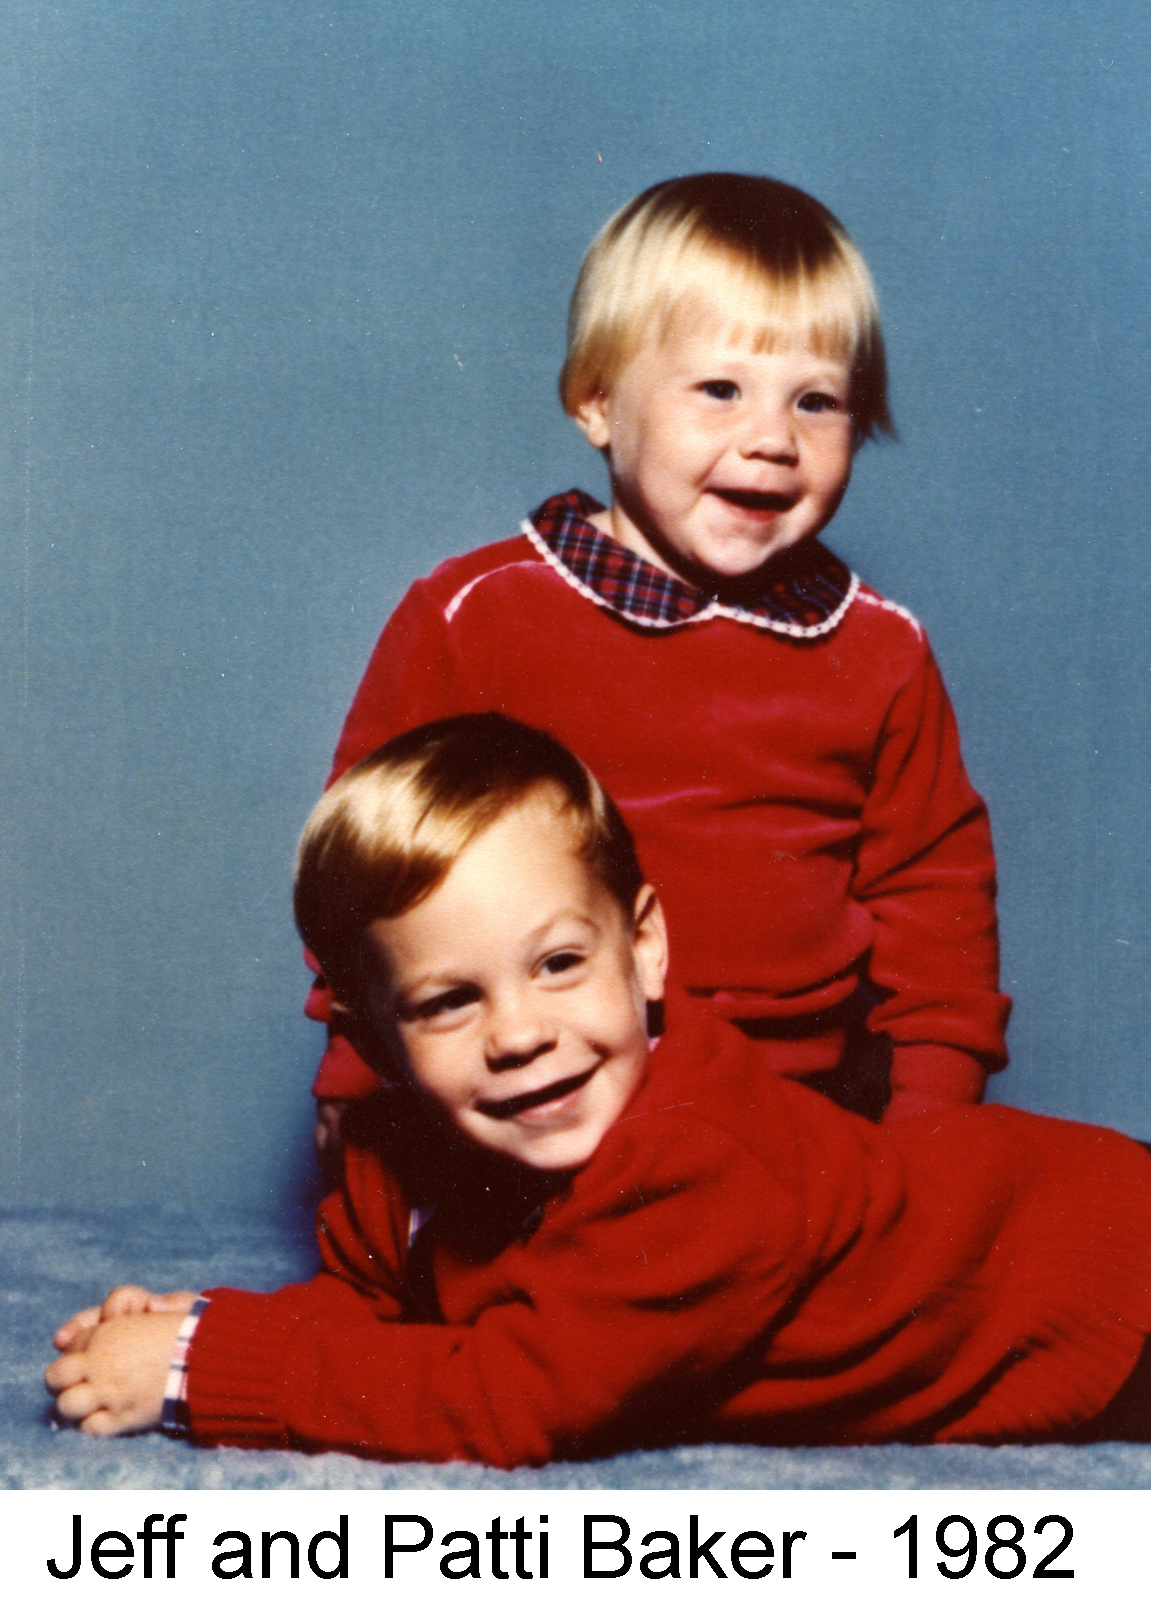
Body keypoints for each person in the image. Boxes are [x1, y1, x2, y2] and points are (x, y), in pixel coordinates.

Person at [45, 716, 1151, 1459]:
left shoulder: (696, 1158)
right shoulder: (398, 1158)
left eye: (559, 963)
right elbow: (393, 1313)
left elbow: (508, 1396)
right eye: (445, 1002)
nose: (521, 1033)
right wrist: (216, 1323)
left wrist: (208, 1370)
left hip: (1089, 1290)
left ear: (647, 950)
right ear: (374, 1040)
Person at [308, 173, 1010, 1160]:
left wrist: (930, 1124)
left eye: (816, 400)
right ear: (596, 402)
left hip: (788, 1101)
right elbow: (371, 859)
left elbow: (935, 900)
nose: (770, 440)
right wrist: (354, 1057)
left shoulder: (878, 649)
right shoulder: (482, 614)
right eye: (719, 389)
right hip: (526, 1095)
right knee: (453, 1271)